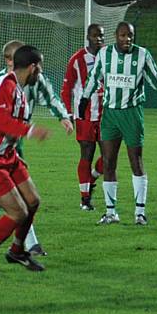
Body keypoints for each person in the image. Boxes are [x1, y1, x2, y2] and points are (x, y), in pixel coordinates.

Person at [0, 40, 73, 256]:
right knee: (14, 206)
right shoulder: (1, 84)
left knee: (30, 200)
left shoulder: (25, 83)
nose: (40, 71)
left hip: (9, 148)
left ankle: (3, 242)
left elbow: (49, 97)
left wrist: (63, 117)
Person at [79, 21, 157, 226]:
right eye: (123, 35)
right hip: (111, 114)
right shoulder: (105, 55)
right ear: (116, 36)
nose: (127, 39)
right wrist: (84, 100)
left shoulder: (142, 55)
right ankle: (111, 212)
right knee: (108, 162)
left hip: (132, 114)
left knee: (136, 161)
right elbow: (93, 77)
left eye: (130, 35)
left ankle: (140, 213)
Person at [61, 24, 105, 210]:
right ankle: (85, 198)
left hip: (106, 114)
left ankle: (92, 178)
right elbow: (66, 89)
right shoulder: (77, 59)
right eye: (95, 35)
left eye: (101, 36)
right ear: (88, 36)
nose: (99, 39)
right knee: (87, 153)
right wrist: (68, 114)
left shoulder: (110, 56)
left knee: (110, 156)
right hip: (84, 115)